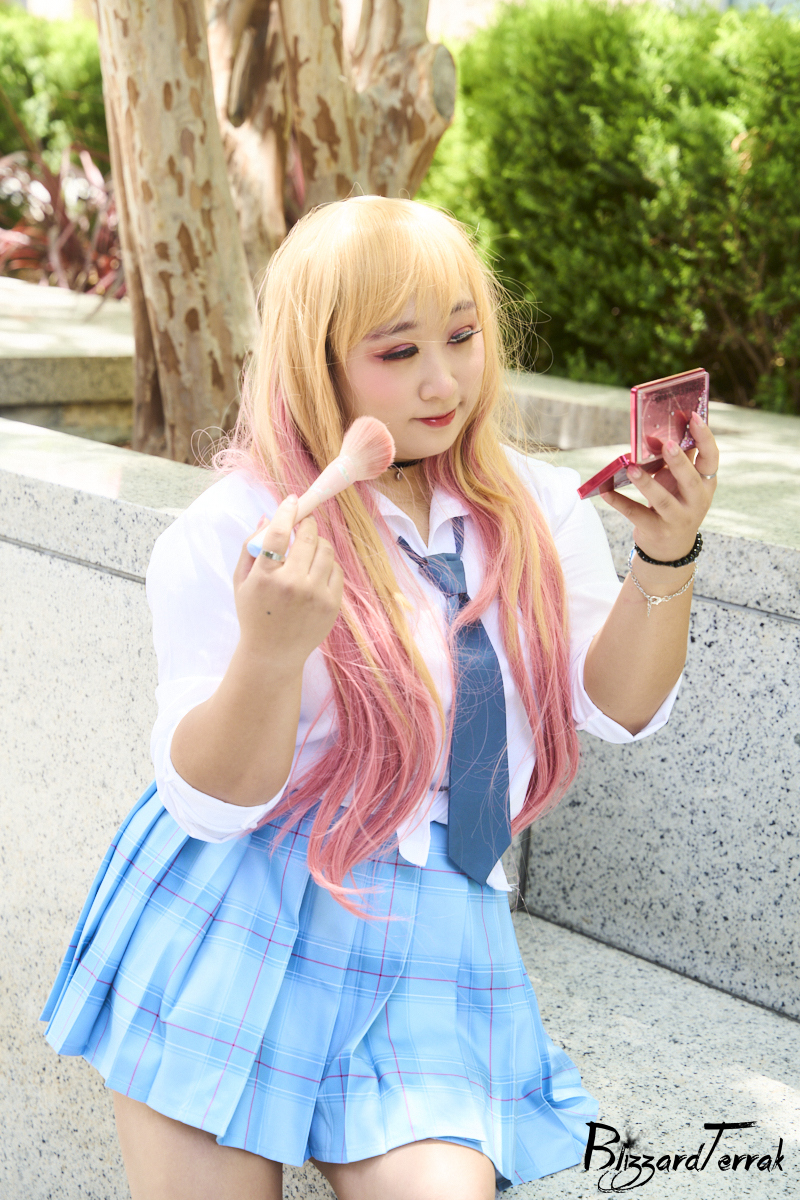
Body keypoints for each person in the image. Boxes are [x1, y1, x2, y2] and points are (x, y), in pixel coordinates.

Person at [41, 196, 719, 1200]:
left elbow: (613, 707)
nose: (443, 381)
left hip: (434, 914)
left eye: (462, 337)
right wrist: (270, 654)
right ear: (316, 363)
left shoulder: (535, 509)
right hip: (239, 898)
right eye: (398, 352)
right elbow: (214, 803)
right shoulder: (235, 529)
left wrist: (666, 554)